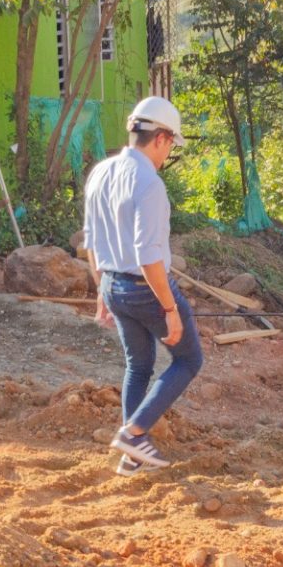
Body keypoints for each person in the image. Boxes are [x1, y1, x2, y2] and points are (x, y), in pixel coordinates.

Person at [84, 95, 203, 474]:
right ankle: (134, 433)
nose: (168, 154)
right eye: (170, 145)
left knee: (139, 365)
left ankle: (131, 455)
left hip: (113, 284)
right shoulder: (149, 182)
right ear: (162, 138)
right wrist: (170, 308)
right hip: (145, 288)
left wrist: (101, 291)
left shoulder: (100, 173)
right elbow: (149, 256)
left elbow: (90, 241)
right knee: (188, 359)